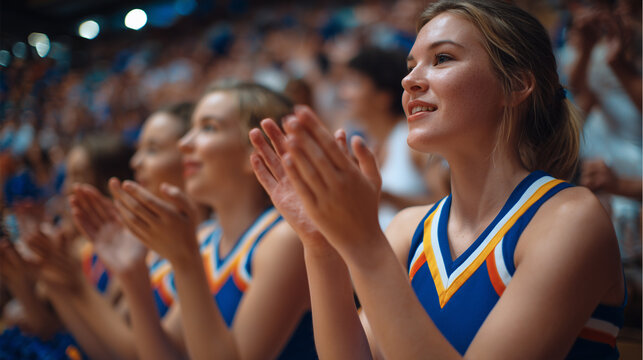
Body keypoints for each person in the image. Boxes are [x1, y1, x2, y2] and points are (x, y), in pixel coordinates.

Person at [249, 0, 625, 358]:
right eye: (411, 64)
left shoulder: (569, 218)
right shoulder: (408, 229)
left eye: (441, 58)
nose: (409, 80)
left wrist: (365, 245)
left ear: (516, 86)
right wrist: (321, 244)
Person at [84, 82, 315, 360]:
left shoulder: (284, 239)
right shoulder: (207, 238)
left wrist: (185, 262)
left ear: (254, 153)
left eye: (208, 128)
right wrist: (133, 275)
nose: (184, 144)